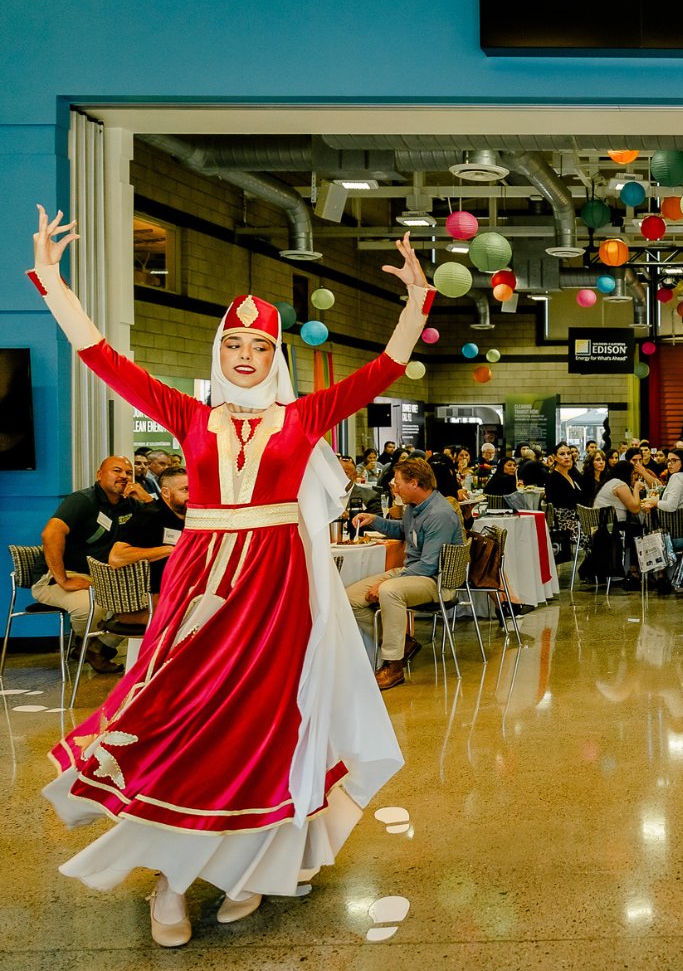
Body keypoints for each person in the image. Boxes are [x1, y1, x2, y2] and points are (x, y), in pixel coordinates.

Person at [32, 206, 433, 946]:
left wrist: (416, 303)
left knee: (269, 727)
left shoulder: (305, 416)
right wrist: (54, 283)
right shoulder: (187, 414)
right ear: (219, 350)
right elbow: (101, 358)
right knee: (179, 718)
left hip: (281, 594)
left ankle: (255, 866)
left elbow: (381, 370)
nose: (245, 352)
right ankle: (170, 881)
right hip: (201, 588)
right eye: (233, 342)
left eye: (258, 343)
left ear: (274, 353)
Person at [347, 456, 464, 690]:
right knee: (351, 598)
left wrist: (388, 583)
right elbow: (404, 530)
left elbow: (429, 565)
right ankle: (405, 643)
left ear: (415, 483)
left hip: (436, 580)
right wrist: (375, 520)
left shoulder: (439, 514)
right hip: (413, 572)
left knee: (389, 592)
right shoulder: (414, 507)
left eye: (397, 482)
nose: (394, 486)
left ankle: (393, 664)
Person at [31, 454, 146, 673]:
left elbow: (162, 524)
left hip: (103, 578)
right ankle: (84, 644)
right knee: (91, 607)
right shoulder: (83, 500)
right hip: (57, 579)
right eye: (117, 470)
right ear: (99, 475)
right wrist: (62, 579)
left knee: (147, 602)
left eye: (128, 472)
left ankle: (97, 648)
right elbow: (50, 534)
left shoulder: (130, 502)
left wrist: (147, 500)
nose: (124, 476)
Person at [107, 465, 190, 632]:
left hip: (179, 590)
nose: (193, 495)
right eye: (185, 490)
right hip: (152, 599)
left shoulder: (192, 517)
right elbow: (116, 558)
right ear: (166, 493)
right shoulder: (149, 517)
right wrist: (169, 550)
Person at [655, 448, 683, 514]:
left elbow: (670, 506)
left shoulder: (677, 477)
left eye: (674, 460)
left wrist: (654, 502)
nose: (669, 464)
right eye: (668, 460)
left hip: (675, 521)